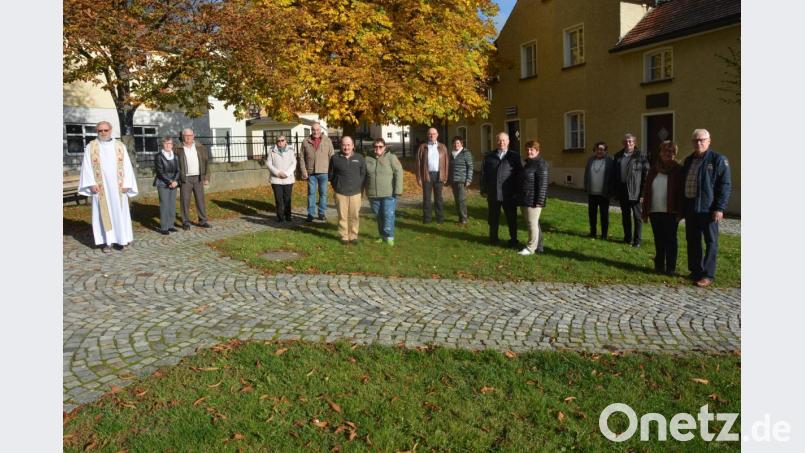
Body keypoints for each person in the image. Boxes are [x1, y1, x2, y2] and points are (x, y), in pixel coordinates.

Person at [77, 121, 138, 252]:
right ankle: (107, 242)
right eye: (100, 131)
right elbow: (86, 166)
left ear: (110, 130)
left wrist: (127, 184)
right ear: (97, 132)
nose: (103, 133)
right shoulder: (91, 147)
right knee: (103, 213)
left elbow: (127, 166)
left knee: (119, 212)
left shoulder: (120, 146)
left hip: (119, 187)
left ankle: (122, 240)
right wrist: (91, 183)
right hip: (100, 188)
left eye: (105, 130)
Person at [681, 129, 731, 287]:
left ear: (709, 141)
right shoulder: (689, 160)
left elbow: (725, 185)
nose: (699, 143)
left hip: (708, 209)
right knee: (693, 240)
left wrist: (719, 208)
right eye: (695, 140)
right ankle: (695, 270)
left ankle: (708, 275)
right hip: (691, 207)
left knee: (710, 241)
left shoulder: (718, 159)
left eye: (702, 140)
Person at [640, 141, 683, 275]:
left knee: (670, 240)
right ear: (660, 153)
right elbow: (647, 189)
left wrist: (680, 211)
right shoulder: (654, 169)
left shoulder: (678, 170)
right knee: (658, 239)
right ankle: (659, 265)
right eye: (665, 151)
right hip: (654, 210)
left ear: (675, 154)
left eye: (671, 151)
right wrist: (645, 210)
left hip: (671, 211)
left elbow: (682, 193)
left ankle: (670, 268)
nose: (668, 154)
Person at [480, 132, 522, 248]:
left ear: (508, 142)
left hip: (509, 193)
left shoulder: (514, 156)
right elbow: (483, 174)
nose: (501, 143)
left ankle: (513, 239)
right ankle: (493, 238)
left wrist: (518, 192)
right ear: (496, 141)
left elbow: (519, 175)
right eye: (499, 140)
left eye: (504, 140)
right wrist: (483, 189)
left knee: (511, 218)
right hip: (493, 193)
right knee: (493, 218)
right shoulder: (489, 156)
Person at [365, 138, 404, 246]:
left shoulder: (391, 158)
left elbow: (399, 172)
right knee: (379, 216)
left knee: (388, 215)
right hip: (373, 195)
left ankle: (390, 236)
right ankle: (382, 235)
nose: (378, 148)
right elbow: (364, 176)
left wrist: (398, 190)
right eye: (376, 146)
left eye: (380, 146)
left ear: (384, 147)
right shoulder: (368, 159)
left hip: (389, 194)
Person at [613, 133, 649, 247]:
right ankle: (627, 238)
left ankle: (637, 240)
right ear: (623, 143)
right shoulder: (618, 155)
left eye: (630, 141)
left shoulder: (641, 156)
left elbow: (646, 175)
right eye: (626, 141)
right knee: (625, 215)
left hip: (636, 190)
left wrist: (643, 193)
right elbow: (615, 174)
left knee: (637, 217)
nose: (628, 143)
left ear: (634, 143)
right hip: (623, 189)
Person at [329, 136, 366, 245]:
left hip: (355, 192)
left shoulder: (359, 158)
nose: (346, 147)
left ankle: (354, 235)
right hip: (341, 192)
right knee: (342, 216)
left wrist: (359, 186)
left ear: (353, 146)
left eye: (349, 145)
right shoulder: (335, 158)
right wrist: (336, 186)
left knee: (355, 215)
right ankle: (344, 236)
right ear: (341, 146)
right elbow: (331, 174)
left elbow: (363, 174)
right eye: (344, 145)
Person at [516, 140, 548, 256]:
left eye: (532, 149)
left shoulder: (541, 164)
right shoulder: (529, 163)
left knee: (532, 223)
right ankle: (539, 247)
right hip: (525, 198)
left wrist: (540, 201)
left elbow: (543, 184)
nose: (529, 151)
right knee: (533, 223)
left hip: (533, 200)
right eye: (527, 149)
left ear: (537, 151)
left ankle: (530, 248)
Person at [298, 121, 335, 222]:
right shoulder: (305, 141)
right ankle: (310, 213)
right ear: (311, 130)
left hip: (324, 172)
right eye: (313, 130)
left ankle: (322, 213)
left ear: (321, 130)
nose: (315, 132)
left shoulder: (327, 140)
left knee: (323, 194)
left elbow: (332, 156)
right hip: (311, 172)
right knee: (311, 193)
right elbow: (301, 157)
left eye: (317, 129)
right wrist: (303, 170)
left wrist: (331, 172)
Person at [175, 128, 211, 229]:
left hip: (199, 177)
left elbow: (206, 163)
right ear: (183, 137)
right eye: (186, 136)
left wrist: (206, 177)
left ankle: (202, 221)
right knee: (185, 201)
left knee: (200, 200)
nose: (188, 138)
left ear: (193, 136)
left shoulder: (200, 147)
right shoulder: (178, 148)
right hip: (185, 178)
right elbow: (174, 164)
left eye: (190, 135)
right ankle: (185, 221)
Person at [415, 127, 449, 224]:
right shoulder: (423, 147)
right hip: (427, 175)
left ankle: (440, 219)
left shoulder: (443, 147)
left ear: (437, 135)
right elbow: (418, 164)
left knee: (439, 198)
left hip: (439, 175)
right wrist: (419, 178)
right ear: (427, 135)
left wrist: (445, 176)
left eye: (434, 134)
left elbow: (446, 163)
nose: (432, 135)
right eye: (430, 134)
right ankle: (427, 219)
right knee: (426, 198)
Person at [583, 141, 615, 240]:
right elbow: (586, 174)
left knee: (604, 215)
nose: (599, 151)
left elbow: (613, 177)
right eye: (597, 149)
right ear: (595, 150)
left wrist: (611, 190)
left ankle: (604, 234)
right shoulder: (590, 160)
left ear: (605, 150)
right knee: (592, 214)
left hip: (604, 193)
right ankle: (593, 232)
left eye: (602, 149)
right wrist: (586, 186)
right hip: (592, 192)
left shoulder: (610, 160)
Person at [153, 136, 180, 235]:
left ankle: (171, 225)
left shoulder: (176, 156)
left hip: (174, 183)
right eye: (166, 143)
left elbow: (178, 170)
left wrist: (176, 181)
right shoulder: (158, 156)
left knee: (172, 204)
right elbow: (160, 172)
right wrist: (170, 182)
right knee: (164, 204)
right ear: (162, 144)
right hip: (162, 183)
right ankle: (164, 227)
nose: (168, 145)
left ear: (172, 145)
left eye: (170, 143)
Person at [267, 135, 297, 223]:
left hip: (288, 179)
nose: (280, 142)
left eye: (282, 140)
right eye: (278, 141)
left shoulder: (291, 150)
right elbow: (269, 163)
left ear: (285, 141)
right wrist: (278, 173)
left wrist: (286, 173)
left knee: (287, 198)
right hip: (276, 179)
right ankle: (280, 217)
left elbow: (294, 163)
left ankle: (288, 216)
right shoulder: (271, 150)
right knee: (278, 199)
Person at [448, 136, 473, 225]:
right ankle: (460, 217)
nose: (456, 145)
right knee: (456, 200)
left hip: (462, 181)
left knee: (461, 200)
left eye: (458, 143)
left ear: (462, 144)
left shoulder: (466, 153)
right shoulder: (451, 154)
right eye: (454, 143)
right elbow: (449, 168)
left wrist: (469, 179)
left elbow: (470, 167)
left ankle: (464, 219)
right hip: (453, 181)